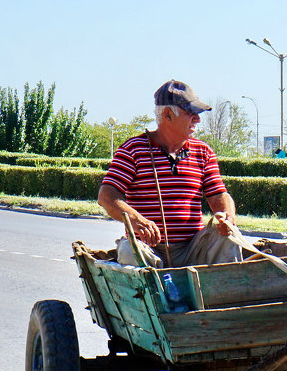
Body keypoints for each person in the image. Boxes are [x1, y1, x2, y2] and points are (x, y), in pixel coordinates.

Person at [98, 80, 241, 267]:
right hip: (150, 249)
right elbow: (107, 196)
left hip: (193, 248)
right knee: (128, 250)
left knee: (230, 237)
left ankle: (223, 294)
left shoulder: (203, 152)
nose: (197, 120)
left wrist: (227, 216)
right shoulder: (133, 150)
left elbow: (219, 195)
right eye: (191, 113)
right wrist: (137, 221)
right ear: (167, 114)